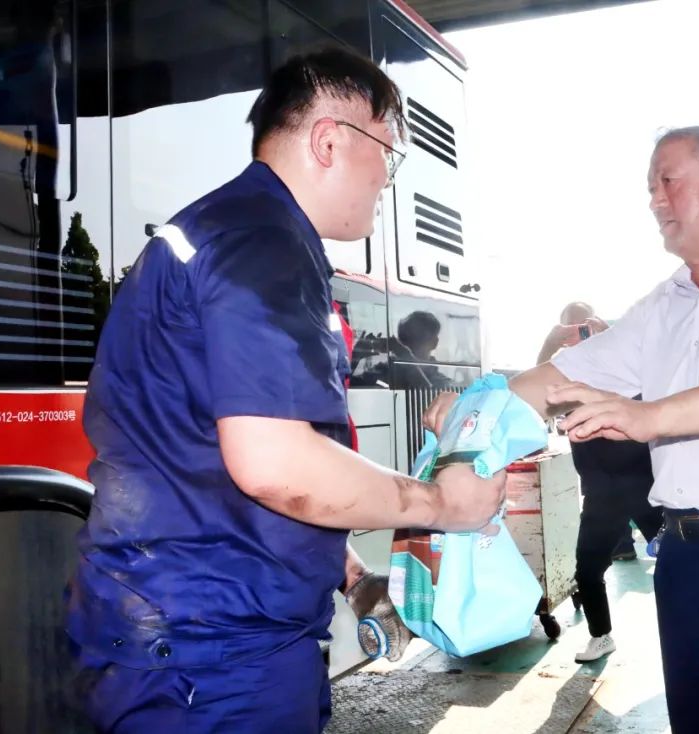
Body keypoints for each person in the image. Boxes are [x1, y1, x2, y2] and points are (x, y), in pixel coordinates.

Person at [64, 48, 505, 734]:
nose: (387, 179)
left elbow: (201, 454)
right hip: (215, 658)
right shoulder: (264, 244)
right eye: (388, 153)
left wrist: (350, 572)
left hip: (175, 636)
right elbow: (274, 463)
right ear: (330, 141)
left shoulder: (221, 231)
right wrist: (445, 505)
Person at [426, 126, 699, 734]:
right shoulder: (662, 307)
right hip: (684, 559)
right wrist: (474, 410)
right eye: (651, 186)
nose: (654, 199)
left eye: (667, 181)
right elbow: (559, 377)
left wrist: (647, 415)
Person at [539, 302, 663, 663]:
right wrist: (550, 345)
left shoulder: (622, 365)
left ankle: (698, 633)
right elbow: (535, 398)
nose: (580, 334)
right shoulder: (564, 378)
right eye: (571, 329)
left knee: (678, 561)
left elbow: (657, 383)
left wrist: (613, 337)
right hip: (600, 493)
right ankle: (600, 636)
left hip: (645, 484)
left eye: (585, 326)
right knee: (587, 570)